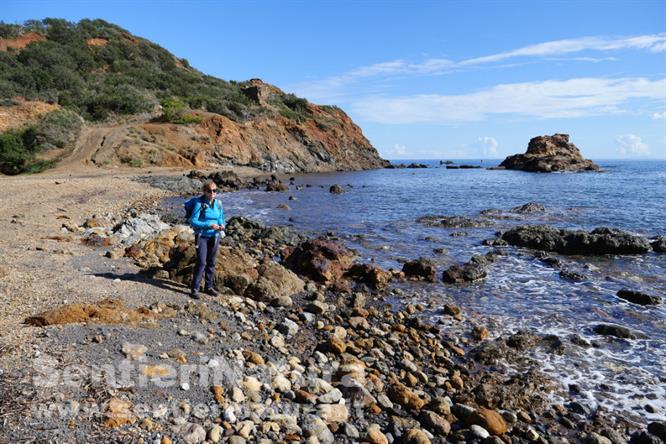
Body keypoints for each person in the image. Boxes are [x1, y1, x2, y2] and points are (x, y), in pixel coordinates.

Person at [189, 181, 225, 299]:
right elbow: (193, 221)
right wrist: (209, 225)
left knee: (212, 262)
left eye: (215, 190)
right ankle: (195, 289)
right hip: (202, 236)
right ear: (205, 191)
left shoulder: (219, 203)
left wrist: (222, 225)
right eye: (210, 191)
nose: (212, 193)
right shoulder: (200, 204)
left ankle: (208, 287)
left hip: (215, 236)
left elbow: (221, 218)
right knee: (202, 262)